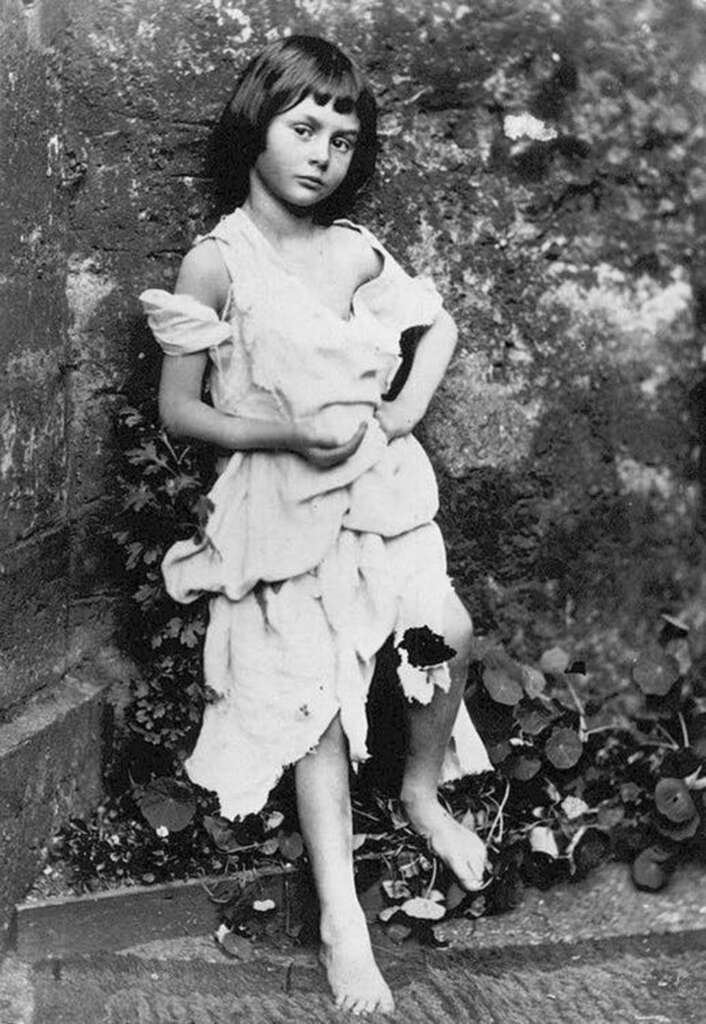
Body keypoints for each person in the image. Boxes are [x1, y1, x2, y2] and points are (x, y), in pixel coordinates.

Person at [140, 35, 491, 1016]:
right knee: (317, 703)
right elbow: (182, 407)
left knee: (443, 633)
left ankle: (421, 790)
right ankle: (343, 920)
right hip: (279, 506)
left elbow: (438, 324)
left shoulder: (349, 250)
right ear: (257, 127)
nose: (322, 152)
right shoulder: (218, 262)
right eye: (303, 129)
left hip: (378, 493)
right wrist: (282, 431)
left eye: (341, 136)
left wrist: (405, 407)